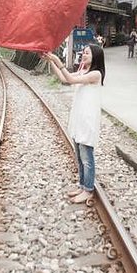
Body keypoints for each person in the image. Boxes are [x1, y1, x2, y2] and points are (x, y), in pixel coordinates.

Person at [41, 44, 105, 205]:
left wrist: (56, 59)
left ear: (96, 56)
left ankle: (88, 189)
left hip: (88, 119)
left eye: (87, 53)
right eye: (83, 53)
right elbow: (65, 79)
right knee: (79, 155)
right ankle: (82, 185)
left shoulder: (95, 74)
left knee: (86, 157)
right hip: (79, 117)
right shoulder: (83, 71)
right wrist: (51, 62)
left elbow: (69, 79)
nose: (84, 55)